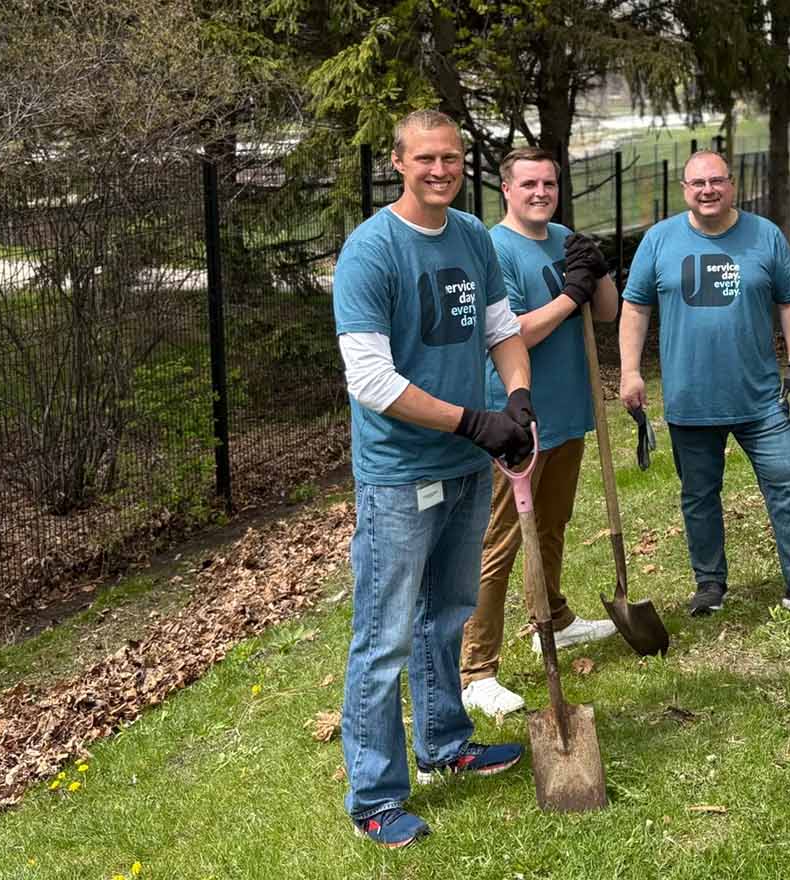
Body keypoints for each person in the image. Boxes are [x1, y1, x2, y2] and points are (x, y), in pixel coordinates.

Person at [333, 109, 536, 848]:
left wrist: (514, 399)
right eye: (426, 159)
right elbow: (370, 379)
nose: (441, 170)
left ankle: (446, 744)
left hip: (464, 466)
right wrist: (471, 421)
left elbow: (501, 328)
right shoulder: (371, 253)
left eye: (451, 158)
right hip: (399, 474)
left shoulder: (472, 237)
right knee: (384, 637)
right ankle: (376, 795)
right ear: (398, 162)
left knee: (447, 613)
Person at [617, 150, 790, 619]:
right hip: (690, 398)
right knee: (699, 495)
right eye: (697, 183)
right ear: (684, 189)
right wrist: (630, 370)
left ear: (731, 184)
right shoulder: (660, 241)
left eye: (716, 181)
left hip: (760, 398)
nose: (707, 190)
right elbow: (635, 307)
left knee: (788, 483)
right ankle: (710, 585)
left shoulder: (765, 236)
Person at [459, 147, 621, 718]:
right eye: (529, 183)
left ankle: (551, 619)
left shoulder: (562, 238)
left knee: (552, 526)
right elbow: (514, 333)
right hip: (518, 420)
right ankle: (476, 670)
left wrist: (596, 271)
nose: (540, 193)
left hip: (571, 412)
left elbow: (604, 312)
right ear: (506, 188)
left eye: (549, 183)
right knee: (500, 543)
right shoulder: (493, 250)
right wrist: (568, 294)